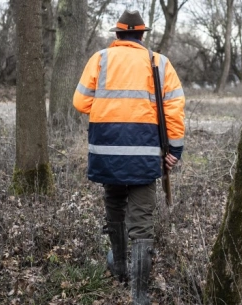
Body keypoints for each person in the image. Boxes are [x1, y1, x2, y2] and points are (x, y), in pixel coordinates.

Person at [72, 10, 185, 304]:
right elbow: (173, 109)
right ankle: (139, 294)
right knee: (142, 219)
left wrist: (109, 108)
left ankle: (119, 267)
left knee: (114, 205)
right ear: (142, 35)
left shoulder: (100, 59)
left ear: (118, 34)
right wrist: (174, 150)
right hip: (146, 155)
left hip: (107, 152)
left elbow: (80, 102)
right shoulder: (159, 63)